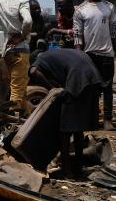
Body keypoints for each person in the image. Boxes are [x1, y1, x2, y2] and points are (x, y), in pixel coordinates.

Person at [30, 48, 104, 177]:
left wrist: (52, 89)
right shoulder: (59, 54)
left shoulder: (40, 59)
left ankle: (67, 170)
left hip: (78, 77)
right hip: (94, 77)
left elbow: (33, 71)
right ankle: (78, 168)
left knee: (65, 128)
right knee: (78, 127)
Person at [73, 0, 116, 130]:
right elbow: (77, 36)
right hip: (89, 56)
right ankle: (92, 120)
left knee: (107, 89)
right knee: (91, 90)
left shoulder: (109, 7)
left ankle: (108, 120)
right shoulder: (80, 10)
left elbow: (114, 31)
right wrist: (78, 56)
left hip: (107, 54)